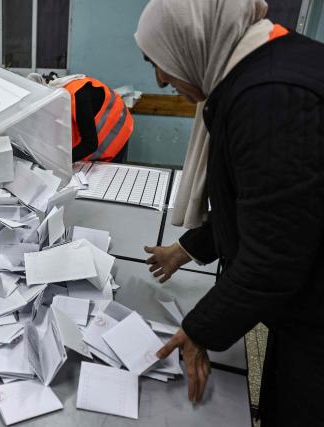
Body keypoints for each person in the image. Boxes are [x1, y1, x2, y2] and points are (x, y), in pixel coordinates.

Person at [135, 0, 324, 424]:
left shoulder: (271, 98)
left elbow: (273, 256)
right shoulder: (265, 64)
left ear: (193, 41)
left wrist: (200, 328)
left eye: (161, 63)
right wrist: (185, 249)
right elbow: (259, 208)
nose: (162, 80)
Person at [27, 72, 133, 163]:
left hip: (117, 129)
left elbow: (90, 144)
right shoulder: (60, 97)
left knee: (107, 177)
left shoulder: (78, 96)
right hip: (95, 135)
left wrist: (61, 162)